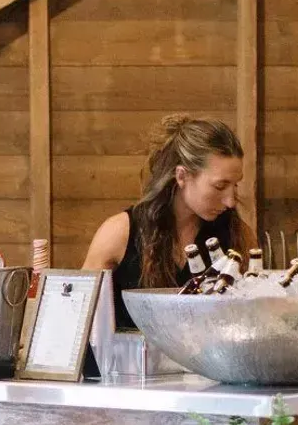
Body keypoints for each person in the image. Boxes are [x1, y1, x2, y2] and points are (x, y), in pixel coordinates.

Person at [83, 115, 251, 328]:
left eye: (235, 186)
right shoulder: (120, 233)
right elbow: (79, 319)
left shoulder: (237, 235)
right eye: (219, 187)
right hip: (130, 360)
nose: (230, 201)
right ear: (182, 176)